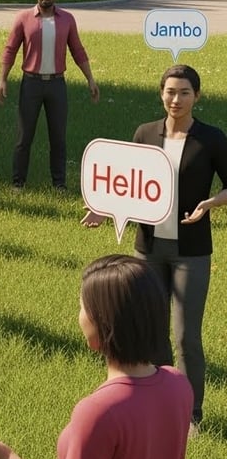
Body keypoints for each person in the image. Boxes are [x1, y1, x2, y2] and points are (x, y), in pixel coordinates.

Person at [0, 255, 193, 459]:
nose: (78, 315)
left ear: (101, 324)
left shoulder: (98, 411)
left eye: (82, 307)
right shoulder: (178, 386)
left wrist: (8, 458)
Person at [82, 64, 227, 433]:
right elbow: (129, 185)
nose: (175, 99)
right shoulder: (145, 133)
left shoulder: (211, 139)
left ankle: (192, 414)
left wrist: (210, 204)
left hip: (191, 251)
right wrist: (103, 208)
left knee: (185, 336)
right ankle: (161, 405)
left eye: (184, 93)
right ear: (160, 93)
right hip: (147, 249)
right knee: (151, 330)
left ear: (197, 96)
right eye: (170, 92)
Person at [0, 0, 99, 190]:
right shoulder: (23, 18)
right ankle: (18, 182)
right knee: (24, 137)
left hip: (56, 84)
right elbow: (10, 50)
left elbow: (77, 50)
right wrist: (3, 79)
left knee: (58, 137)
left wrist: (90, 79)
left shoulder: (67, 19)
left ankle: (59, 184)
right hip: (31, 84)